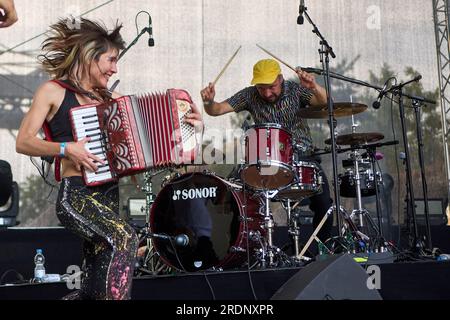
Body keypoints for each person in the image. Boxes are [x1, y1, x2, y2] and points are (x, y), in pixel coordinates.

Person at [16, 17, 203, 299]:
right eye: (110, 60)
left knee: (94, 284)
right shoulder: (52, 91)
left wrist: (191, 126)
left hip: (110, 198)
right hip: (77, 195)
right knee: (125, 238)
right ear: (90, 57)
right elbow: (23, 141)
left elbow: (157, 135)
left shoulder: (112, 99)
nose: (115, 68)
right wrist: (67, 149)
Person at [200, 58, 333, 242]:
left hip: (300, 154)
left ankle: (324, 248)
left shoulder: (295, 90)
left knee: (324, 203)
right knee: (234, 195)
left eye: (271, 87)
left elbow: (325, 104)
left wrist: (313, 87)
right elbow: (217, 110)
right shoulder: (250, 95)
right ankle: (244, 248)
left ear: (280, 79)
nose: (267, 92)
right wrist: (208, 102)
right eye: (262, 88)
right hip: (263, 159)